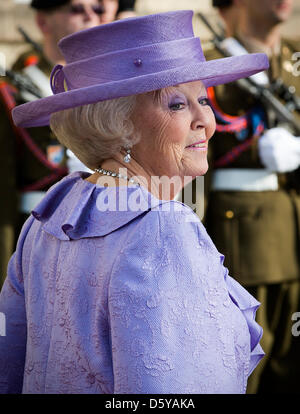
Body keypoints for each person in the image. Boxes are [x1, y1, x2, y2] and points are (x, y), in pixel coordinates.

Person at [0, 10, 268, 394]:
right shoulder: (161, 227)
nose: (206, 122)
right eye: (177, 104)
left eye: (203, 100)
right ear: (119, 125)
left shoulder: (50, 215)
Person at [203, 0, 300, 393]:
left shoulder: (295, 61)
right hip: (241, 249)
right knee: (243, 374)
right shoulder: (208, 64)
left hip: (295, 240)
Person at [0, 0, 104, 288]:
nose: (89, 16)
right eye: (75, 8)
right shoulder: (14, 91)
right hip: (39, 239)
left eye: (96, 8)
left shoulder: (109, 88)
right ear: (43, 22)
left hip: (101, 237)